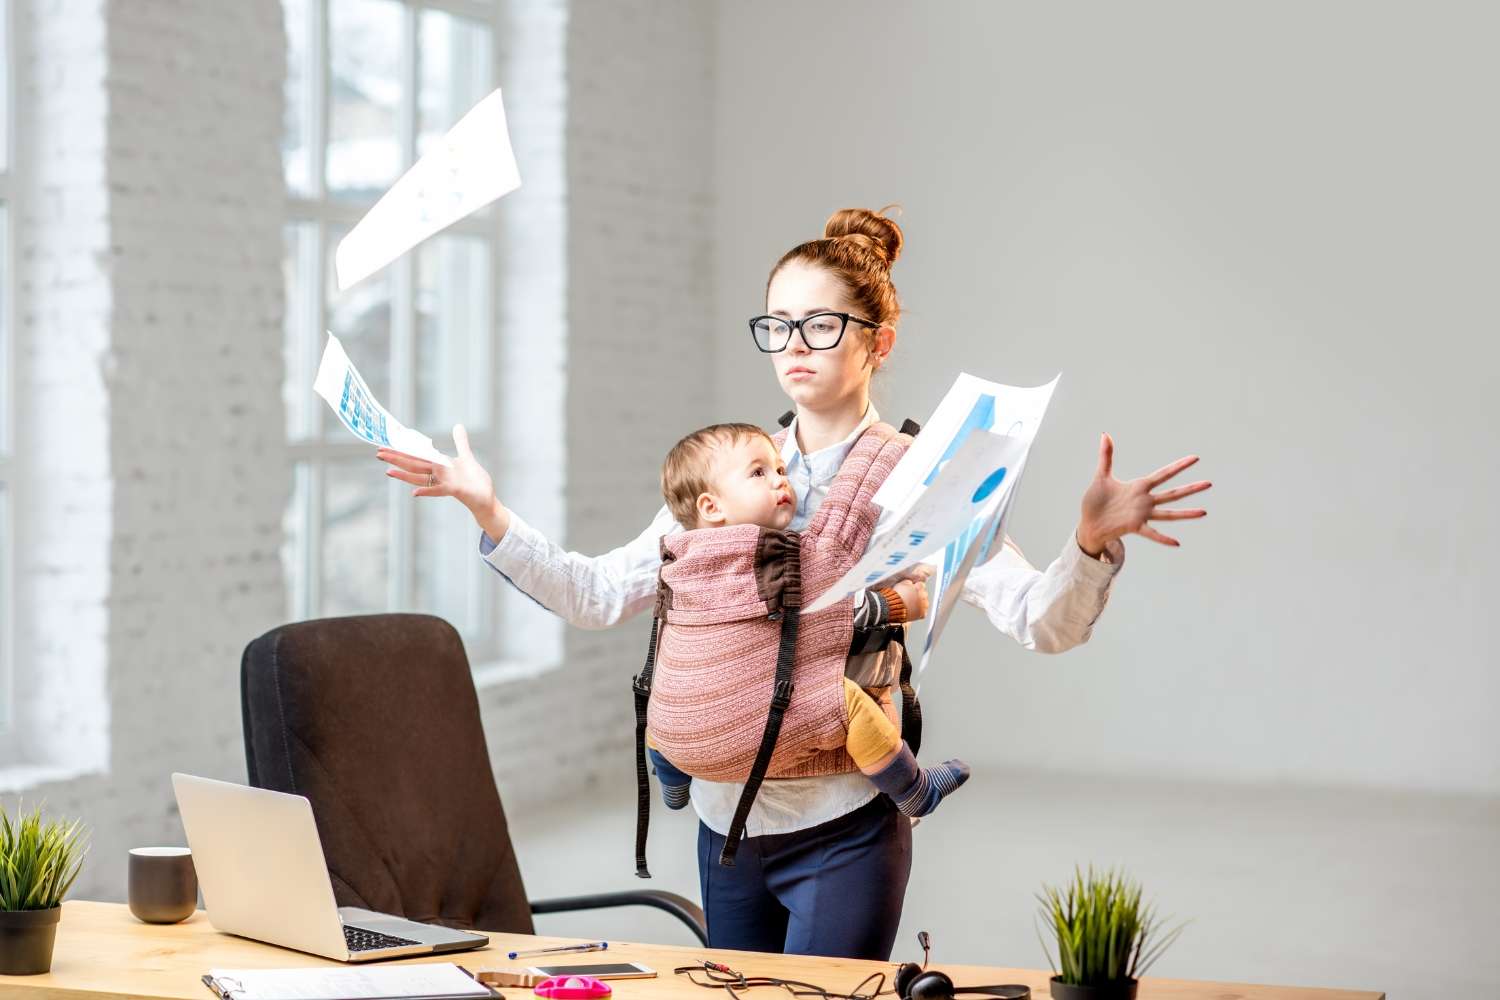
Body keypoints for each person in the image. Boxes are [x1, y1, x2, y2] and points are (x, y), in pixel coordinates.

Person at [376, 206, 1210, 960]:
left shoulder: (923, 478)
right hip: (723, 828)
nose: (794, 346)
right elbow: (597, 595)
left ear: (878, 341)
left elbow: (1043, 622)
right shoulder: (729, 475)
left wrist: (1090, 543)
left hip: (843, 826)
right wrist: (488, 511)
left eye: (820, 323)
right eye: (776, 326)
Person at [647, 421, 968, 818]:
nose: (780, 480)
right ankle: (913, 788)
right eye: (758, 472)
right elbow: (824, 611)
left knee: (666, 693)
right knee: (850, 703)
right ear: (712, 507)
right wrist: (897, 603)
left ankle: (672, 784)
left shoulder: (677, 560)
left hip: (678, 742)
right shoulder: (766, 554)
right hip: (745, 737)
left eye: (780, 469)